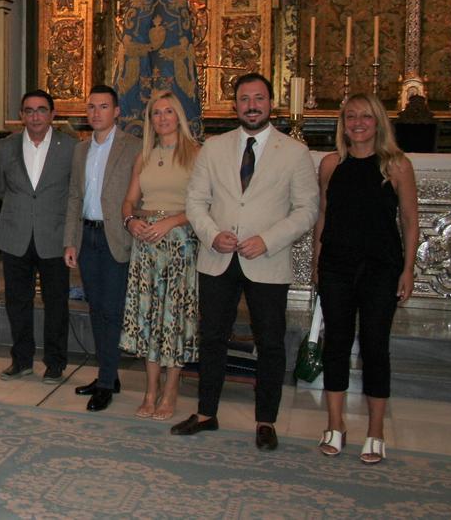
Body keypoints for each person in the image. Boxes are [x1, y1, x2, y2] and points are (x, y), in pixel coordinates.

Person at [173, 73, 318, 451]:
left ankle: (266, 420)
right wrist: (211, 233)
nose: (251, 105)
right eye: (244, 99)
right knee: (212, 338)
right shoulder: (214, 148)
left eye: (258, 98)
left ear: (271, 103)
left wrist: (267, 240)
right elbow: (195, 202)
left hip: (266, 259)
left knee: (270, 342)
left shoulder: (294, 152)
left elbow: (307, 210)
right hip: (218, 256)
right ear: (235, 105)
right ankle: (206, 413)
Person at [313, 93, 418, 465]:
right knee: (336, 345)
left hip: (380, 268)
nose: (358, 123)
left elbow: (408, 220)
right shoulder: (330, 165)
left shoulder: (397, 166)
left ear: (378, 123)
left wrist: (407, 269)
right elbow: (323, 218)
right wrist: (317, 263)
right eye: (351, 117)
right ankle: (335, 425)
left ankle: (376, 431)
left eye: (366, 117)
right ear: (343, 123)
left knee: (375, 347)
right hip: (337, 267)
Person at [119, 90, 201, 421]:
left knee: (173, 319)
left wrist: (171, 221)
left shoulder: (196, 153)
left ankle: (171, 391)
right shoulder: (145, 155)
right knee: (150, 317)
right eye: (156, 113)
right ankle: (150, 390)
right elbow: (128, 201)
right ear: (150, 119)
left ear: (178, 116)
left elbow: (203, 206)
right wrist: (131, 221)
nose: (162, 118)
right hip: (146, 247)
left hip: (179, 243)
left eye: (168, 112)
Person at [62, 85, 142, 411]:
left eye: (104, 106)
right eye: (92, 107)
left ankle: (107, 382)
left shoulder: (133, 147)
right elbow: (74, 197)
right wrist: (70, 240)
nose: (96, 113)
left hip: (117, 236)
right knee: (96, 308)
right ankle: (108, 373)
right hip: (89, 236)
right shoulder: (80, 150)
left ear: (117, 111)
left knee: (112, 310)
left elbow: (142, 195)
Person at [0, 90, 77, 383]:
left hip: (53, 235)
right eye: (29, 111)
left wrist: (70, 237)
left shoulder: (70, 146)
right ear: (21, 116)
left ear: (52, 114)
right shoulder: (7, 146)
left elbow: (74, 193)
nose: (35, 116)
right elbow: (1, 188)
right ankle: (22, 360)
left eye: (41, 110)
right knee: (17, 301)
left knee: (56, 302)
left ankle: (55, 363)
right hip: (15, 235)